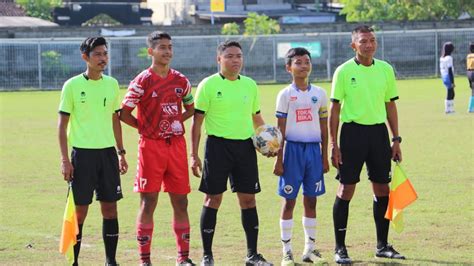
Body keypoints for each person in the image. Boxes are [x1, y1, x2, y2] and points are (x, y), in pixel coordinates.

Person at [190, 40, 273, 266]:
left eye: (238, 56)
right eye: (229, 56)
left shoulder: (250, 85)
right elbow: (197, 123)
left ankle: (252, 255)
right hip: (217, 147)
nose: (235, 60)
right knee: (213, 198)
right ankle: (207, 255)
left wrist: (268, 142)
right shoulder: (207, 85)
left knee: (248, 200)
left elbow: (256, 117)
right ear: (219, 59)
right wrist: (193, 154)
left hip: (245, 148)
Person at [329, 25, 405, 264]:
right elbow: (334, 109)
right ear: (354, 45)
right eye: (363, 41)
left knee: (383, 189)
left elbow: (390, 105)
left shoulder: (385, 69)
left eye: (372, 40)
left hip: (379, 135)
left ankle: (382, 245)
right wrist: (333, 144)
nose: (369, 45)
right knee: (346, 190)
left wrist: (396, 139)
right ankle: (340, 248)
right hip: (352, 135)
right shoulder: (343, 71)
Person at [120, 31, 195, 266]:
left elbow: (191, 108)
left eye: (170, 47)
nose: (167, 51)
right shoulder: (142, 80)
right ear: (150, 51)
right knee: (148, 201)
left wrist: (175, 122)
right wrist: (146, 128)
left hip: (177, 147)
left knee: (181, 202)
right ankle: (145, 260)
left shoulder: (181, 80)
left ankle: (183, 258)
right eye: (162, 47)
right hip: (151, 147)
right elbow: (123, 113)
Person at [58, 36, 128, 266]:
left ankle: (111, 261)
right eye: (97, 54)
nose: (102, 58)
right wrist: (65, 160)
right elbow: (62, 125)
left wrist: (121, 151)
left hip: (107, 155)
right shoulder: (72, 86)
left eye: (105, 53)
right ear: (85, 57)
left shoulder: (111, 84)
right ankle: (74, 262)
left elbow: (115, 119)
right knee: (80, 212)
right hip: (82, 156)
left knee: (110, 208)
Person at [273, 47, 329, 266]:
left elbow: (324, 129)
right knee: (289, 201)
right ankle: (286, 251)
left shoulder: (320, 94)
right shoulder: (285, 95)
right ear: (289, 67)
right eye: (298, 62)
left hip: (313, 151)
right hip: (292, 152)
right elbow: (280, 131)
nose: (303, 66)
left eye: (307, 61)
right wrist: (279, 160)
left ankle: (310, 249)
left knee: (312, 200)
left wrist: (325, 157)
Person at [440, 42, 456, 114]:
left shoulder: (442, 58)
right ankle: (448, 110)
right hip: (448, 76)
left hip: (444, 76)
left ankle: (450, 109)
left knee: (451, 93)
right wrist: (452, 82)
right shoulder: (449, 58)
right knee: (450, 93)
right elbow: (449, 70)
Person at [466, 42, 474, 113]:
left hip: (469, 73)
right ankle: (470, 108)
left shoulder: (468, 56)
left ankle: (471, 107)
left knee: (472, 90)